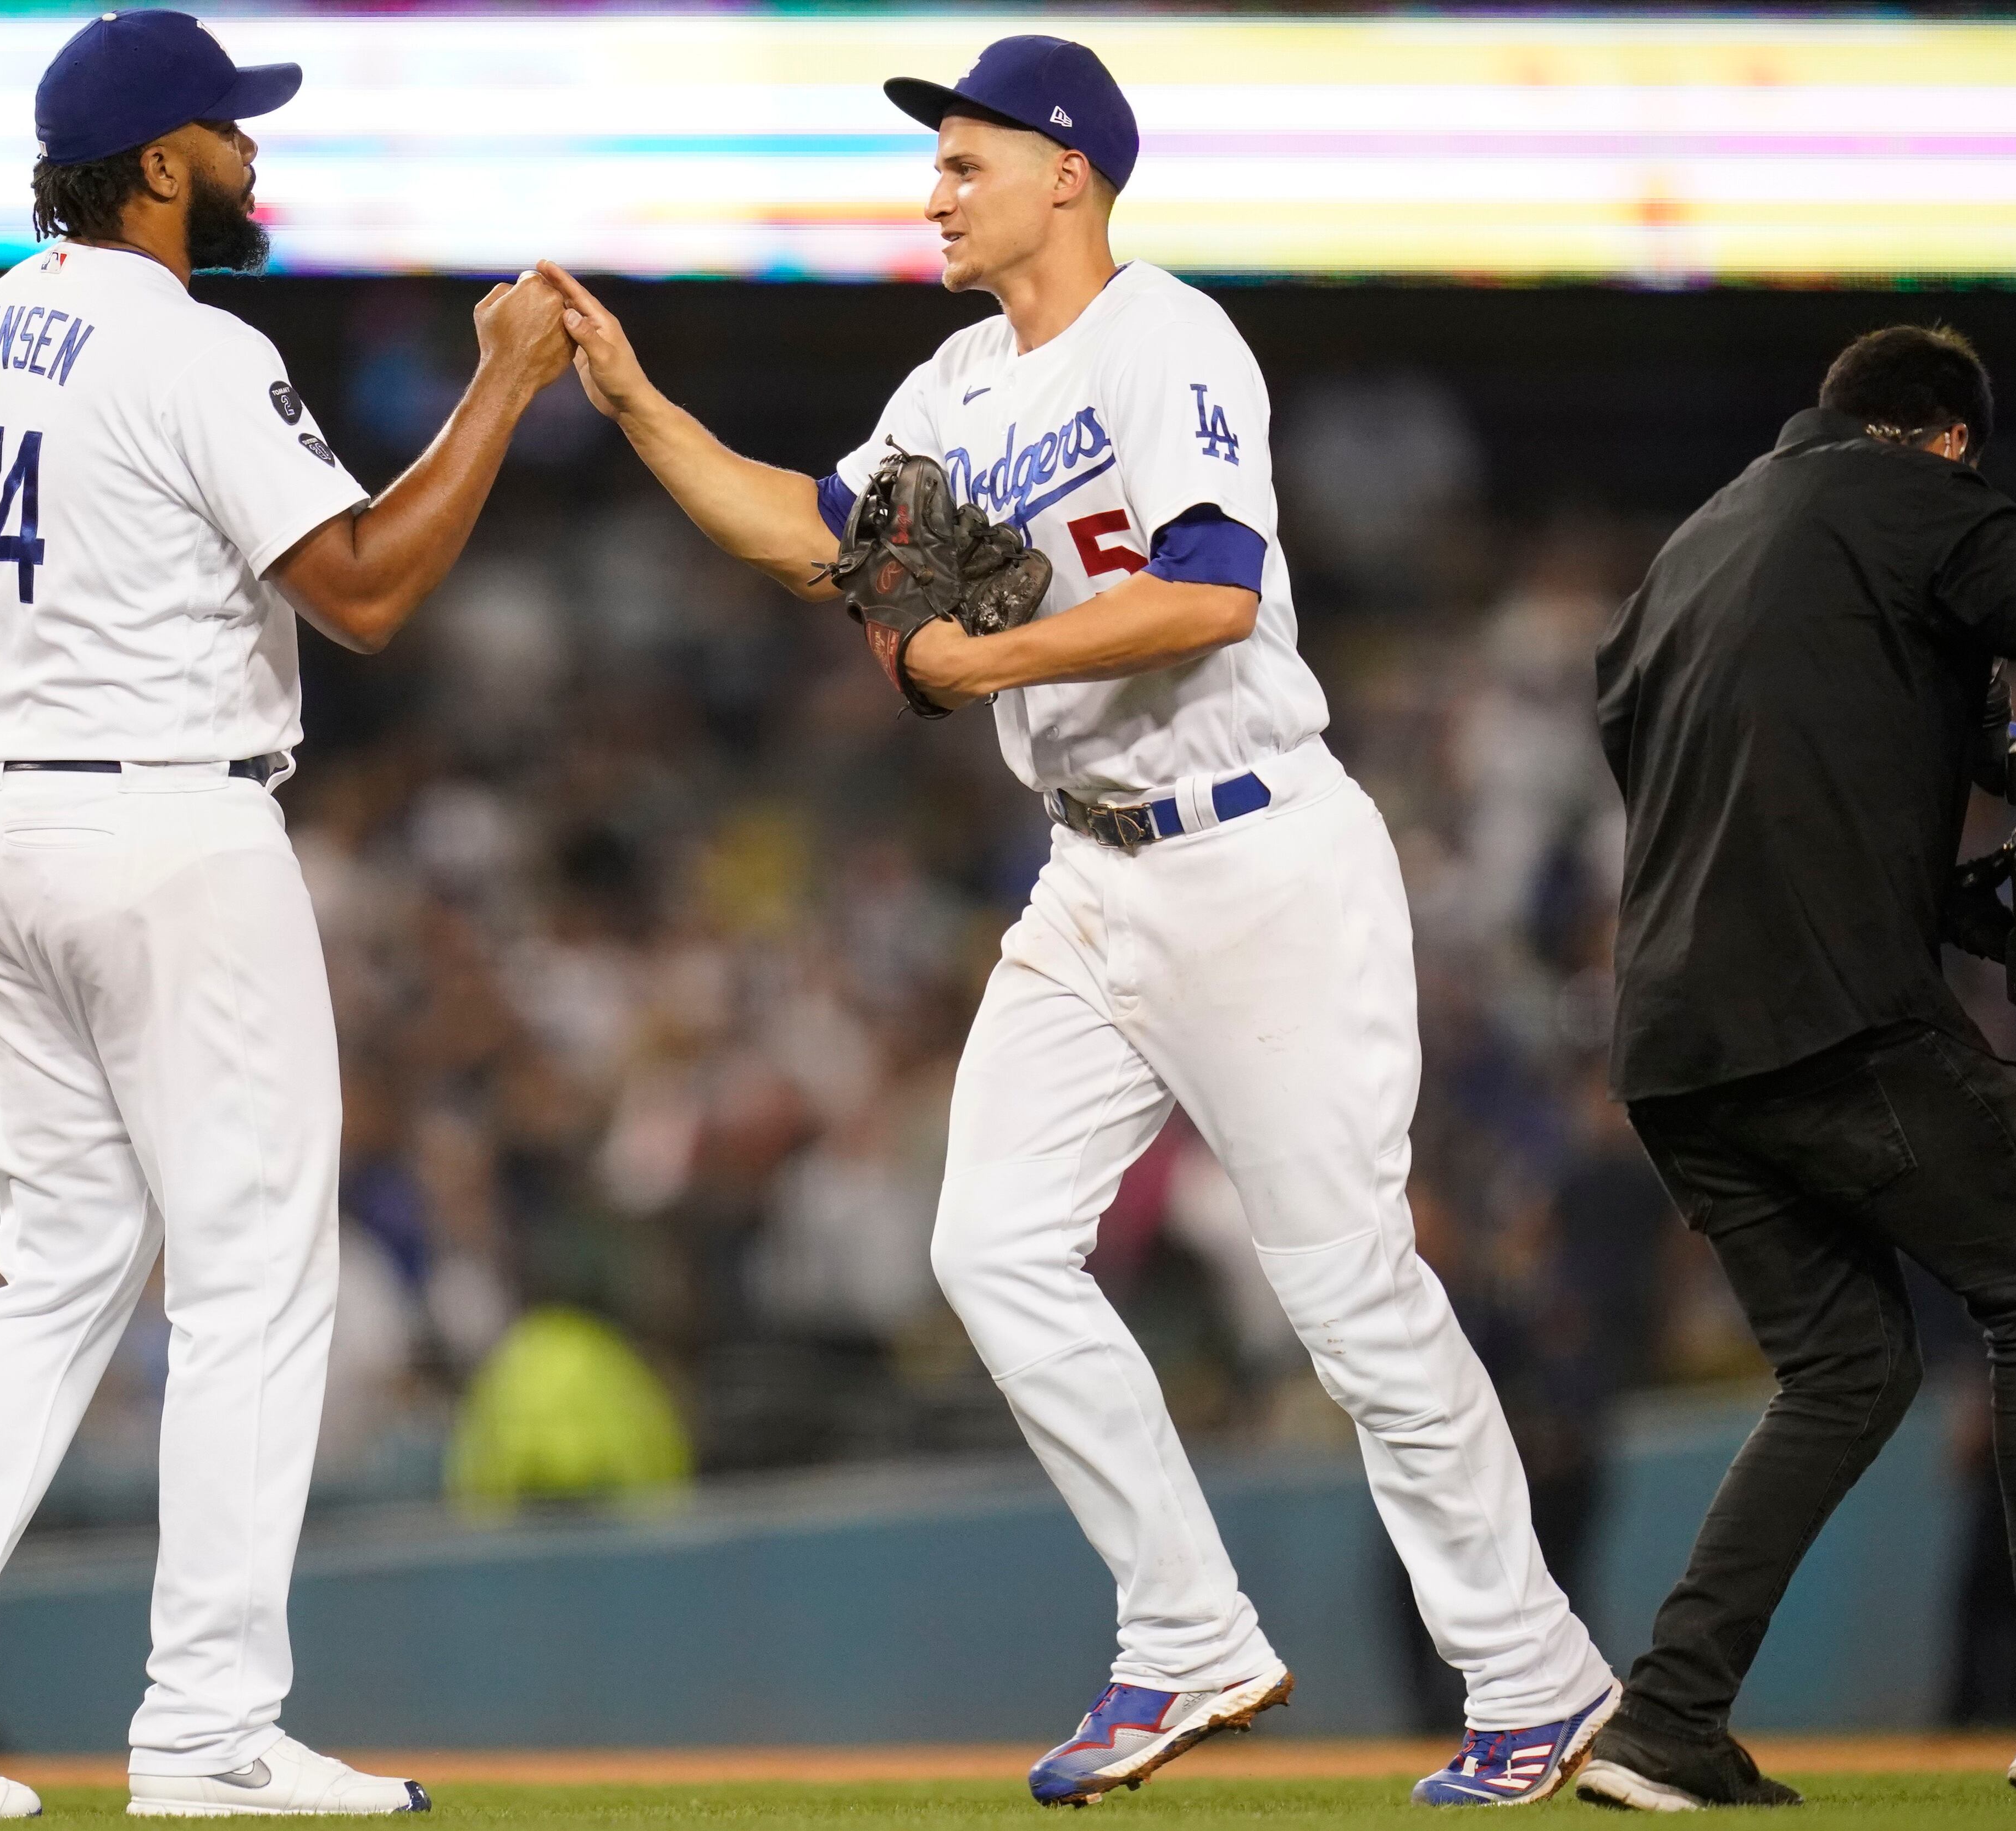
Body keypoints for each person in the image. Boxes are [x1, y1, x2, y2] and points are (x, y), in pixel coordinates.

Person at [538, 34, 1617, 1810]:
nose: (937, 190)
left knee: (1349, 1294)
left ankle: (1533, 1671)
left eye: (967, 161)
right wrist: (639, 404)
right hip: (1094, 869)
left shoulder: (1167, 339)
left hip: (1259, 853)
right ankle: (1187, 1634)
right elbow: (817, 535)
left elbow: (1209, 593)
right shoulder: (955, 390)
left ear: (1070, 171)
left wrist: (979, 656)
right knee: (989, 1245)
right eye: (936, 163)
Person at [0, 13, 571, 1817]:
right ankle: (209, 1728)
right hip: (165, 831)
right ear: (158, 164)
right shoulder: (195, 345)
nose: (251, 159)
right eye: (230, 134)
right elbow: (364, 592)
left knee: (53, 1275)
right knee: (251, 1278)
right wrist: (506, 381)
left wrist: (11, 867)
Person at [1585, 318, 2016, 1810]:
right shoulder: (1913, 496)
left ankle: (1668, 1718)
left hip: (1674, 1047)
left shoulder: (1694, 544)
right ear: (1943, 439)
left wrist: (1937, 868)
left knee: (1849, 1368)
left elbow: (1705, 757)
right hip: (1832, 1020)